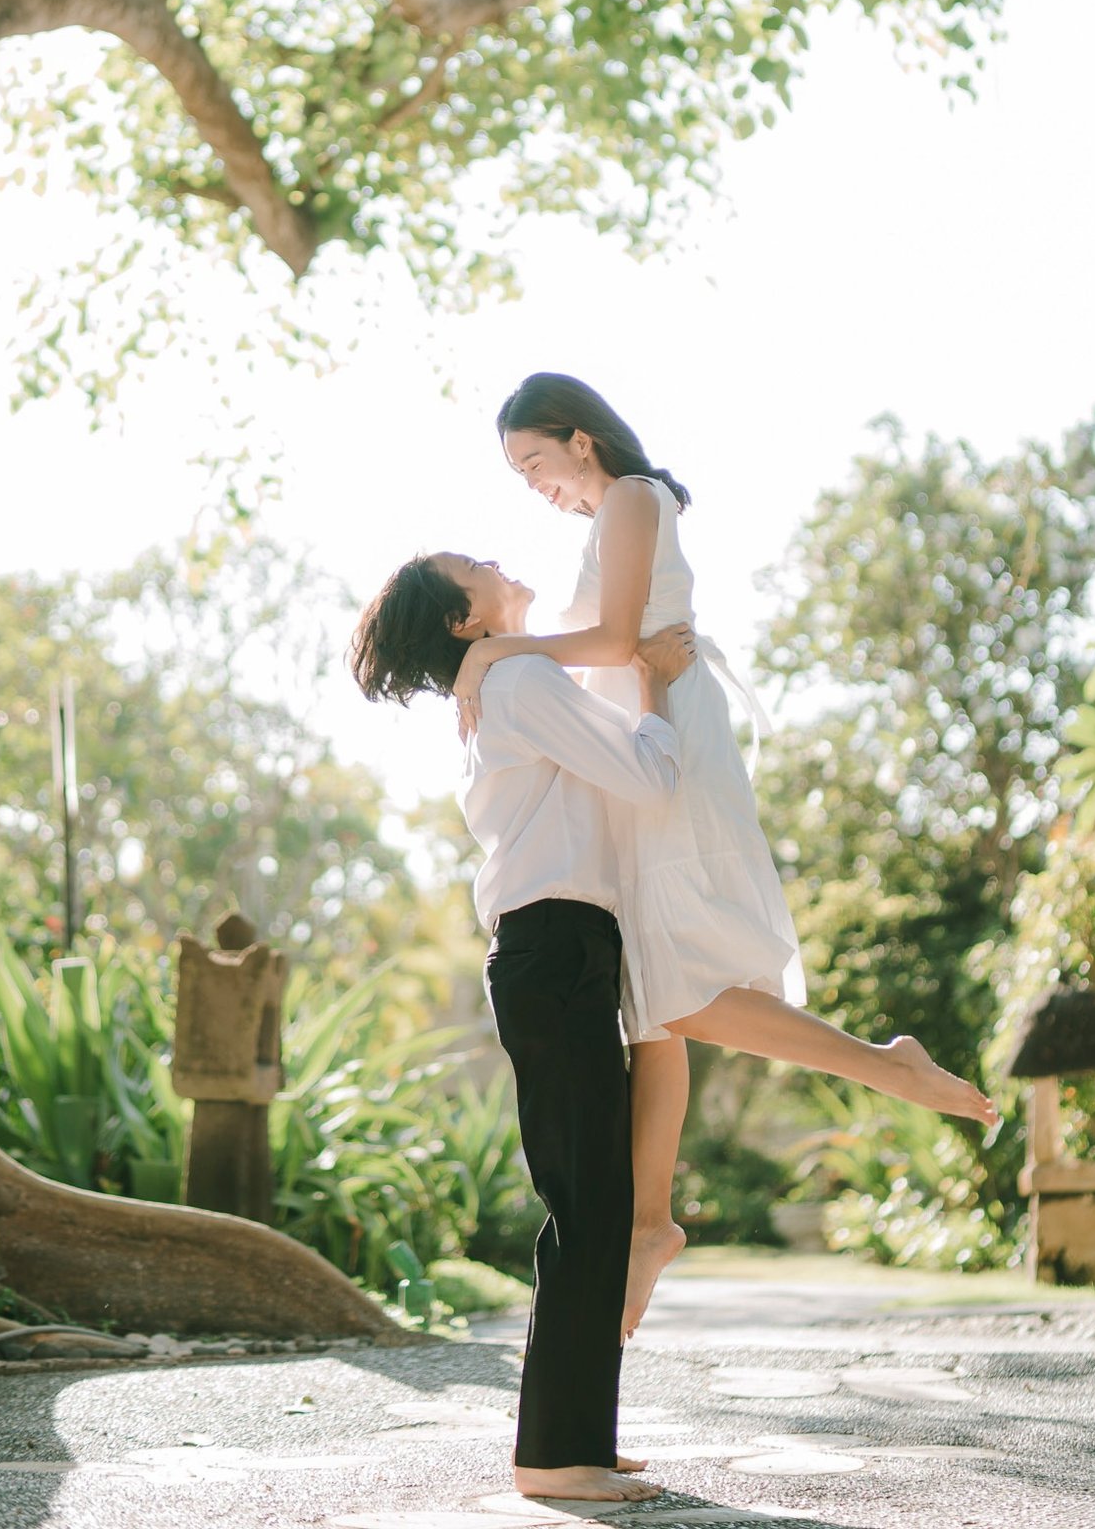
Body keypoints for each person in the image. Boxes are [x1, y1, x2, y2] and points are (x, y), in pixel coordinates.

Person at [453, 372, 997, 1339]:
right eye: (519, 475)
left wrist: (499, 653)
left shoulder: (629, 496)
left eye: (535, 461)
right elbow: (616, 646)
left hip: (670, 742)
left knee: (677, 992)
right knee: (650, 1009)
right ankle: (652, 1222)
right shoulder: (606, 517)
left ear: (581, 440)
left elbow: (621, 638)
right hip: (639, 743)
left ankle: (884, 1064)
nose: (533, 484)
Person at [351, 547, 697, 1506]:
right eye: (474, 563)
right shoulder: (522, 680)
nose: (496, 557)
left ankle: (577, 1438)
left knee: (593, 1200)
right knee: (586, 1206)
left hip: (556, 949)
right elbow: (651, 778)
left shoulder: (508, 678)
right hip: (555, 948)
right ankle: (553, 1456)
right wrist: (657, 690)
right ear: (467, 618)